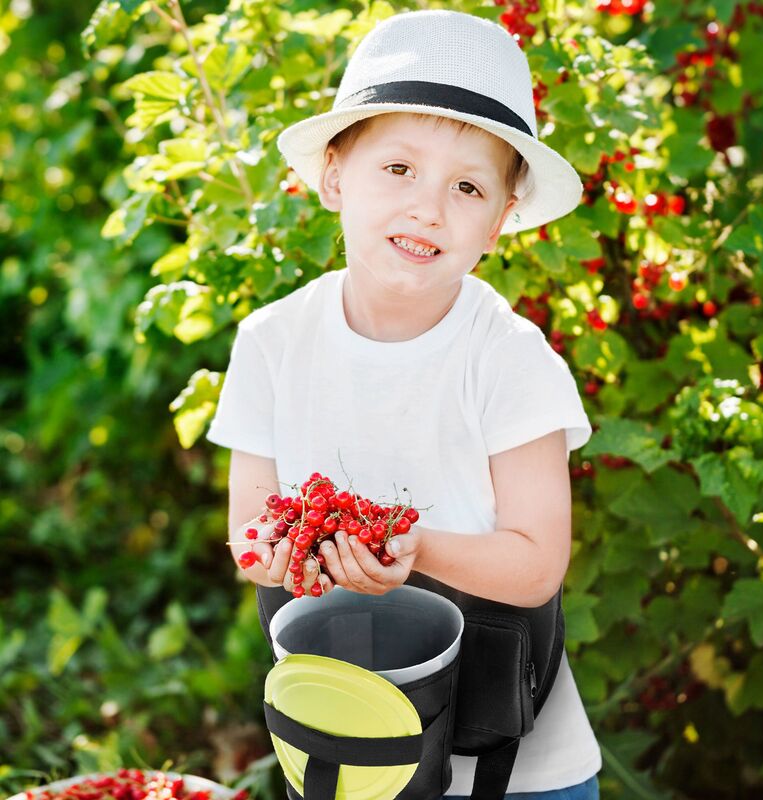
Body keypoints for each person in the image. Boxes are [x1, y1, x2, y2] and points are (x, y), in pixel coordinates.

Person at [206, 8, 601, 800]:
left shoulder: (508, 357)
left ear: (500, 221)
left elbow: (535, 563)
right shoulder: (272, 342)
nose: (428, 208)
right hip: (345, 751)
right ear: (332, 175)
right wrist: (282, 551)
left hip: (512, 765)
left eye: (467, 187)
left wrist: (413, 547)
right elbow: (252, 540)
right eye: (398, 169)